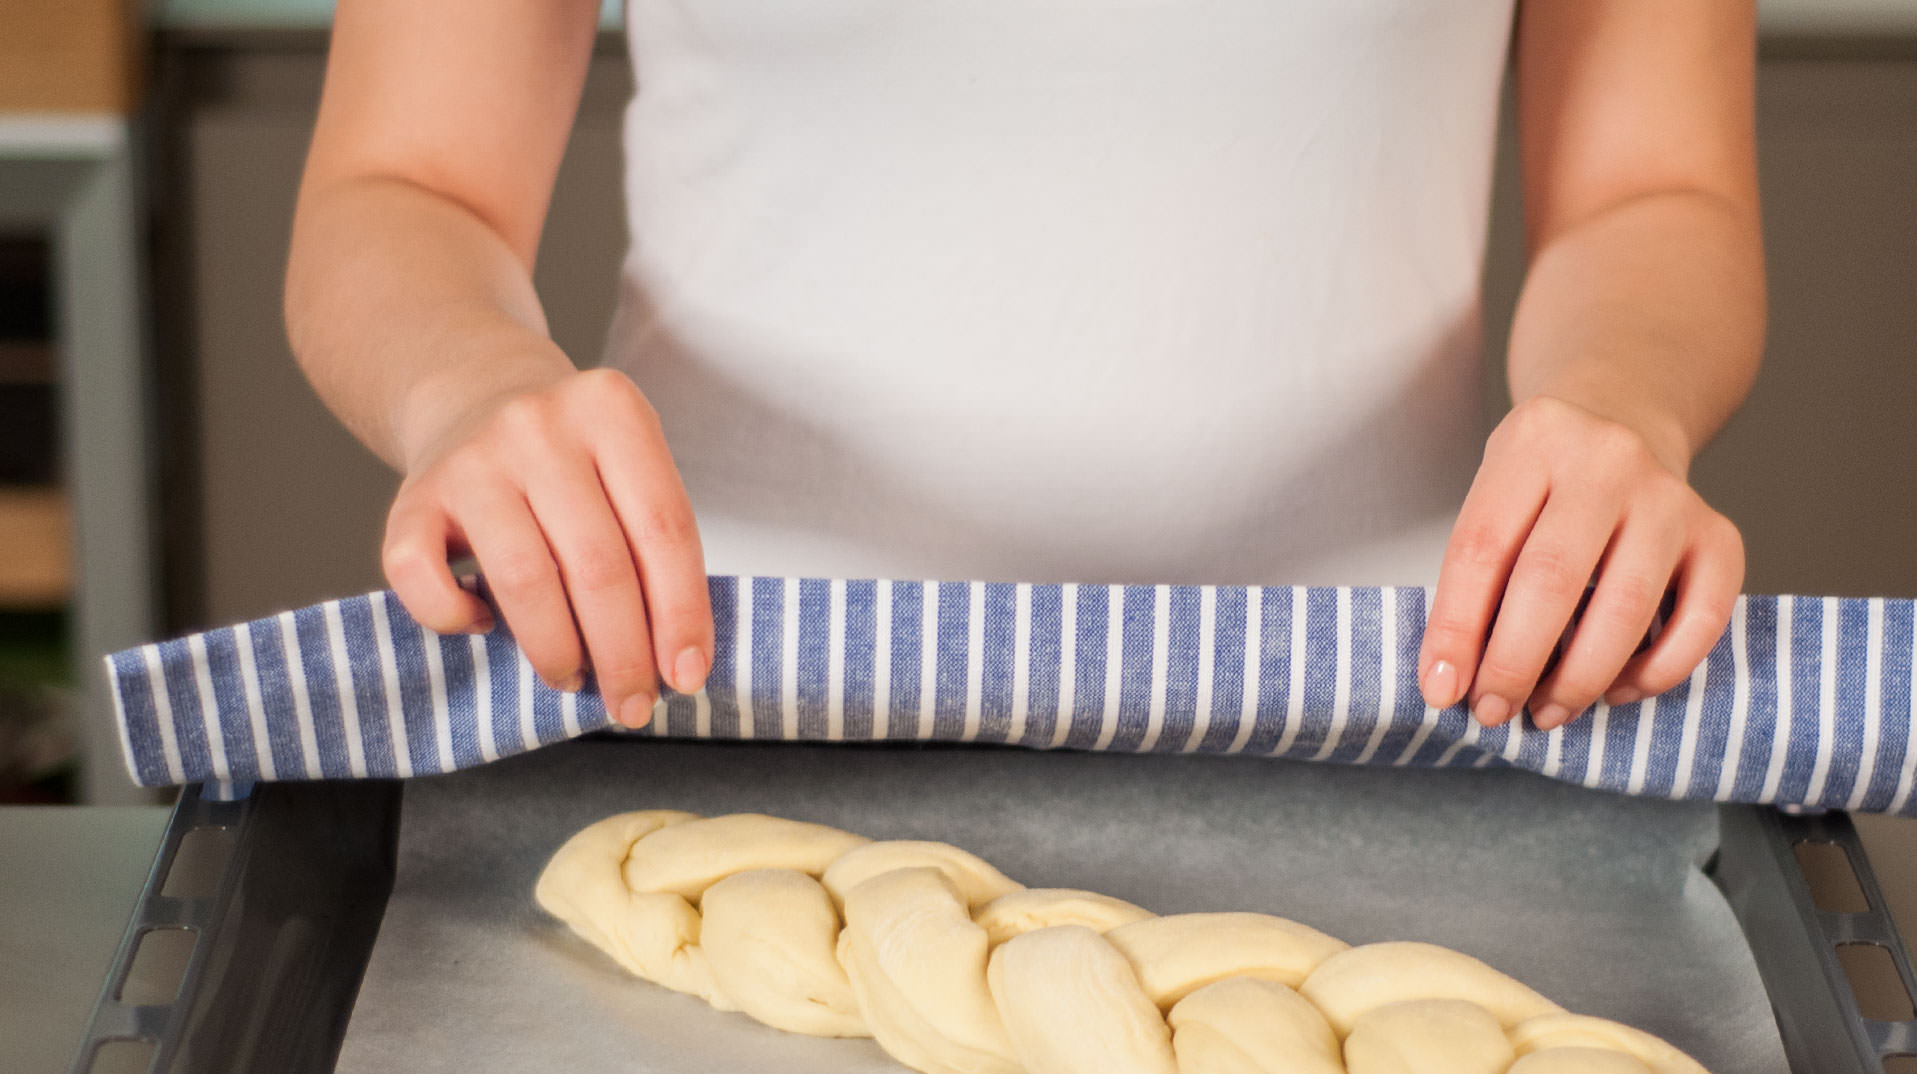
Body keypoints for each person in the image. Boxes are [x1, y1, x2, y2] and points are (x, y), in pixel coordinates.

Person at [286, 0, 1763, 739]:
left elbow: (1652, 189)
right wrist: (473, 387)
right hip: (707, 694)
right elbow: (411, 182)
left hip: (1406, 706)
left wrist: (1616, 402)